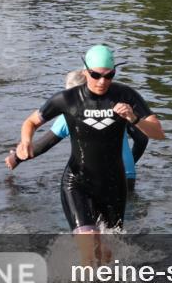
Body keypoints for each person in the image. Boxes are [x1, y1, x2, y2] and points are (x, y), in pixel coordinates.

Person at [15, 45, 164, 236]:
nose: (102, 81)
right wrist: (26, 141)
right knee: (89, 241)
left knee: (108, 252)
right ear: (85, 71)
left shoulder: (125, 95)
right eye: (95, 75)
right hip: (77, 181)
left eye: (109, 76)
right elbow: (31, 122)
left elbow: (158, 133)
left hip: (114, 184)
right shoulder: (67, 99)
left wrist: (134, 118)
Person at [6, 70, 148, 192]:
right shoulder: (117, 108)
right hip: (126, 178)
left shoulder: (74, 113)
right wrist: (128, 165)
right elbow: (142, 138)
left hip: (96, 180)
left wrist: (16, 158)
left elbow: (44, 145)